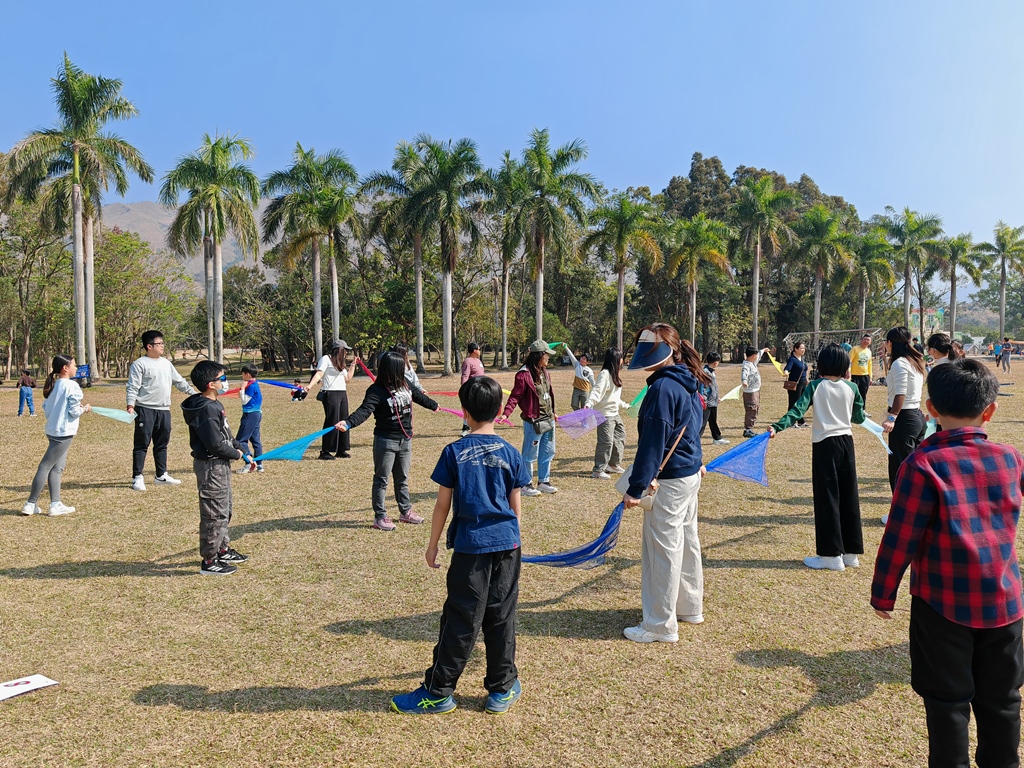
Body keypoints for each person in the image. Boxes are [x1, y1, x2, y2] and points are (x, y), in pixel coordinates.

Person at [871, 359, 1024, 767]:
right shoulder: (1010, 458)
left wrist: (883, 594)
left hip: (941, 607)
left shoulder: (921, 465)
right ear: (990, 410)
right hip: (1005, 605)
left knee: (947, 705)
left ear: (931, 409)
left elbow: (900, 537)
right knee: (1003, 701)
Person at [390, 376, 531, 716]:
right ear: (500, 409)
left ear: (464, 411)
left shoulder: (454, 452)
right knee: (501, 616)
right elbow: (516, 507)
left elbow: (442, 505)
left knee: (461, 619)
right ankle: (501, 688)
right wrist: (515, 543)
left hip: (471, 550)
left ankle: (439, 692)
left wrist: (433, 545)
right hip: (507, 546)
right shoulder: (512, 454)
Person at [621, 323, 711, 643]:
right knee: (686, 542)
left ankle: (659, 625)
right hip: (689, 475)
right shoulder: (688, 379)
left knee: (663, 550)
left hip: (671, 480)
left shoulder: (662, 387)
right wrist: (696, 461)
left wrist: (636, 488)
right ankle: (689, 607)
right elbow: (694, 426)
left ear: (668, 351)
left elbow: (653, 442)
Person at [768, 344, 865, 571]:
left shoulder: (815, 386)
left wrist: (776, 427)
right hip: (846, 444)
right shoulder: (852, 387)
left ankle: (831, 556)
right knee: (849, 495)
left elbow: (797, 410)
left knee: (827, 496)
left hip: (825, 445)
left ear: (821, 365)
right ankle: (851, 553)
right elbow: (859, 417)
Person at [337, 350, 439, 530]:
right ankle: (380, 517)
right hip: (386, 441)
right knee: (381, 480)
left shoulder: (404, 383)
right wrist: (348, 422)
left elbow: (418, 396)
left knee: (402, 478)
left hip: (405, 439)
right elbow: (364, 411)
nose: (404, 370)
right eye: (401, 367)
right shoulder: (376, 391)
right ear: (392, 369)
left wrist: (434, 405)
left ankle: (405, 512)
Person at [181, 361, 251, 576]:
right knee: (214, 513)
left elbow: (227, 435)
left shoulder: (215, 405)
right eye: (223, 378)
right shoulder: (205, 409)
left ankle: (222, 549)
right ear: (211, 384)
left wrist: (243, 451)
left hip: (221, 465)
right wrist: (236, 454)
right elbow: (215, 444)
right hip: (211, 467)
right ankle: (210, 561)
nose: (226, 382)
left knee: (225, 509)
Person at [126, 329, 198, 492]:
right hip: (145, 409)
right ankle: (137, 477)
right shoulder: (140, 364)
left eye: (163, 343)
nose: (162, 346)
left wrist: (194, 394)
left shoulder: (166, 363)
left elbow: (179, 381)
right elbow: (133, 386)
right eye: (159, 343)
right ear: (149, 346)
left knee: (162, 444)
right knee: (142, 444)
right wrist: (130, 404)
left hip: (164, 410)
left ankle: (161, 475)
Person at [21, 355, 91, 517]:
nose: (76, 368)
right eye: (74, 365)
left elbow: (47, 407)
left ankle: (55, 504)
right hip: (63, 433)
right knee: (45, 466)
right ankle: (30, 503)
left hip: (53, 430)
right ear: (65, 368)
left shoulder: (55, 385)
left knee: (57, 468)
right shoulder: (72, 386)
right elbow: (74, 411)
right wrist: (85, 409)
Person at [502, 340, 560, 497]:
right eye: (546, 354)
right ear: (539, 356)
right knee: (529, 454)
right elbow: (515, 396)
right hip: (534, 422)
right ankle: (525, 484)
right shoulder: (523, 374)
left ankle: (543, 482)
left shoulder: (545, 372)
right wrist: (506, 413)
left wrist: (553, 412)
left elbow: (548, 395)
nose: (548, 357)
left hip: (548, 419)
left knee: (548, 451)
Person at [880, 326, 927, 497]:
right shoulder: (914, 361)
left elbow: (901, 393)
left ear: (890, 343)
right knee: (914, 466)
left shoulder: (899, 363)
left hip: (904, 419)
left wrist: (892, 417)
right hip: (915, 416)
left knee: (900, 467)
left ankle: (903, 506)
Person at [307, 340, 357, 460]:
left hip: (342, 392)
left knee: (344, 420)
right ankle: (325, 451)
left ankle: (341, 449)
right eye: (344, 350)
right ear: (339, 350)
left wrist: (353, 365)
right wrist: (309, 386)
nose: (346, 353)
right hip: (330, 393)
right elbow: (319, 374)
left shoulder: (340, 363)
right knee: (332, 420)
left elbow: (347, 379)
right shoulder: (326, 359)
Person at [585, 348, 631, 479]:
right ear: (615, 359)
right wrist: (589, 403)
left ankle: (612, 464)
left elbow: (613, 398)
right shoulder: (605, 374)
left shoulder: (614, 374)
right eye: (621, 358)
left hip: (614, 413)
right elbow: (597, 391)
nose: (622, 360)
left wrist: (626, 406)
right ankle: (598, 470)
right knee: (606, 442)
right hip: (604, 414)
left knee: (619, 437)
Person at [235, 364, 264, 474]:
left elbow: (244, 401)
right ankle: (259, 464)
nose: (242, 376)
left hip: (250, 415)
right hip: (256, 414)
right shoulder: (255, 384)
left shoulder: (251, 386)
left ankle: (249, 463)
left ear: (247, 374)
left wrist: (242, 388)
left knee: (240, 441)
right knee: (255, 439)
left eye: (242, 374)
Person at [699, 352, 728, 445]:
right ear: (716, 362)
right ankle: (695, 440)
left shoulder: (711, 372)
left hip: (712, 402)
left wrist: (716, 398)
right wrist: (704, 401)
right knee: (702, 423)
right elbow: (703, 388)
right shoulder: (705, 372)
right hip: (707, 403)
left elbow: (712, 388)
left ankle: (717, 438)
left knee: (713, 421)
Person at [459, 341, 485, 436]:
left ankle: (478, 427)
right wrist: (464, 390)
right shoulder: (468, 361)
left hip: (480, 389)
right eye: (479, 349)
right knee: (469, 410)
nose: (480, 351)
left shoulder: (478, 361)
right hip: (471, 389)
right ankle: (465, 428)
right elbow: (465, 376)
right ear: (474, 350)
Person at [782, 342, 810, 428]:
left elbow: (804, 371)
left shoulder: (802, 359)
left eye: (804, 348)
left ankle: (801, 421)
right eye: (801, 348)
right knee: (794, 402)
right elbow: (788, 368)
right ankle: (791, 422)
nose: (803, 350)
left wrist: (807, 380)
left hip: (803, 383)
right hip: (795, 384)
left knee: (802, 402)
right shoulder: (792, 359)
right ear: (796, 349)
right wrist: (786, 372)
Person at [741, 346, 766, 438]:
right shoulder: (746, 365)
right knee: (751, 409)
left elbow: (759, 355)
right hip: (750, 392)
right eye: (755, 355)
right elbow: (744, 373)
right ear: (752, 356)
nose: (757, 356)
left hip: (755, 390)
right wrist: (744, 381)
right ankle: (748, 429)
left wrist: (764, 350)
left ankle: (750, 428)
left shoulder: (753, 362)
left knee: (755, 408)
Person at [849, 334, 873, 407]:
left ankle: (862, 409)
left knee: (863, 394)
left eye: (868, 340)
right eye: (865, 339)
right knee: (853, 394)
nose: (866, 341)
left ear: (870, 342)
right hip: (854, 375)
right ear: (861, 340)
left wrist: (870, 377)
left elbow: (869, 364)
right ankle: (852, 409)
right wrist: (848, 373)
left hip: (865, 376)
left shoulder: (869, 352)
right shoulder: (855, 349)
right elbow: (849, 361)